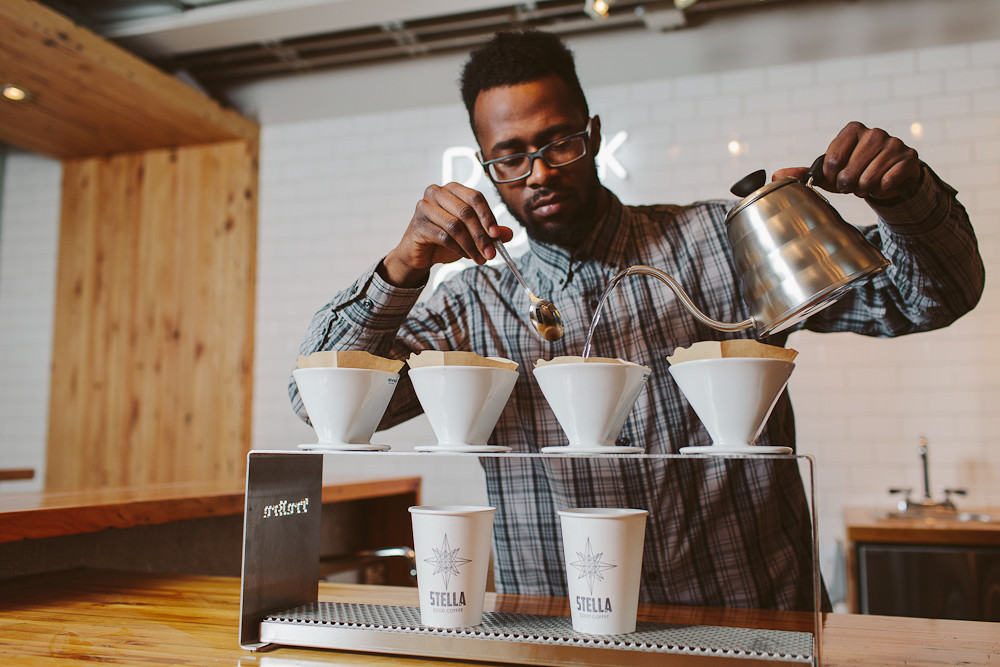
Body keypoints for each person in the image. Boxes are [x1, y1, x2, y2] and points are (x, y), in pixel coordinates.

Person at [290, 30, 984, 611]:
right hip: (563, 638)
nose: (538, 172)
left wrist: (910, 199)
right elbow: (314, 401)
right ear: (486, 165)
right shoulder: (473, 305)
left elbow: (926, 298)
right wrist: (404, 265)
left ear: (592, 135)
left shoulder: (720, 242)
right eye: (511, 156)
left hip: (755, 624)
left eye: (557, 141)